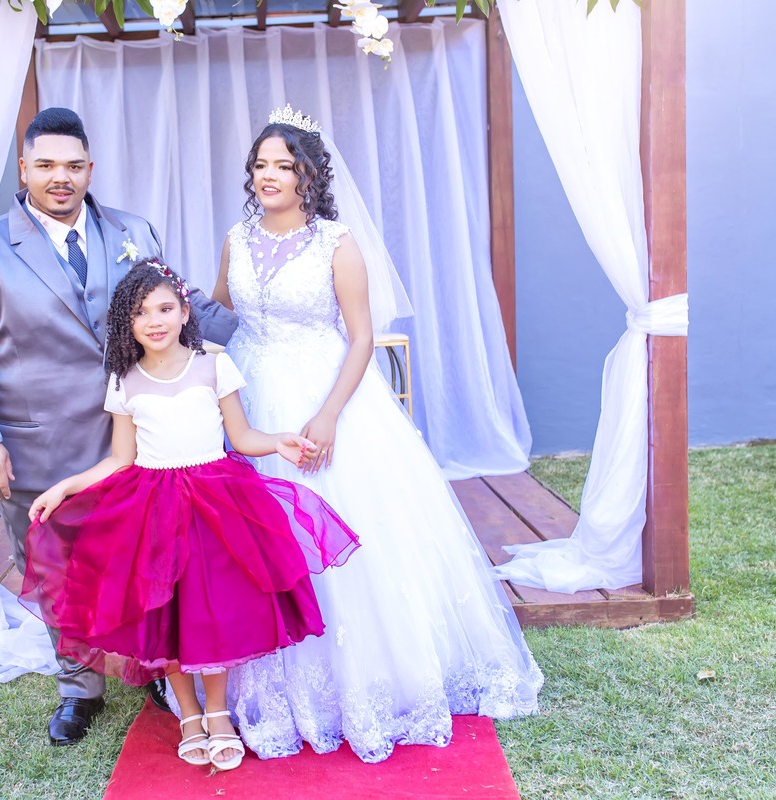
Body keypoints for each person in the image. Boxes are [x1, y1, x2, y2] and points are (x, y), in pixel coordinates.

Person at [207, 109, 544, 763]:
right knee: (256, 538)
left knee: (344, 531)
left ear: (308, 175)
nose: (269, 175)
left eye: (284, 165)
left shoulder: (336, 244)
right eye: (261, 165)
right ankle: (261, 679)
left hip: (324, 392)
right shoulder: (235, 239)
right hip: (249, 395)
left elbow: (361, 337)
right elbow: (219, 313)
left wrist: (329, 413)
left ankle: (362, 680)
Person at [0, 108, 237, 746]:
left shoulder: (132, 230)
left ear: (90, 169)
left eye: (73, 166)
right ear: (24, 169)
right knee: (54, 567)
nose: (60, 177)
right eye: (46, 165)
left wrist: (269, 321)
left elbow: (173, 307)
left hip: (142, 434)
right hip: (38, 440)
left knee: (156, 559)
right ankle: (79, 688)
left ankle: (155, 665)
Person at [19, 260, 359, 771]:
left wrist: (278, 442)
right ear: (127, 322)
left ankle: (217, 712)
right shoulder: (124, 381)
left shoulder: (214, 366)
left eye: (164, 309)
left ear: (183, 312)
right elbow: (120, 458)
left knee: (212, 610)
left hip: (215, 503)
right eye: (140, 313)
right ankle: (189, 713)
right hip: (151, 507)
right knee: (166, 613)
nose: (154, 321)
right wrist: (66, 486)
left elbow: (241, 436)